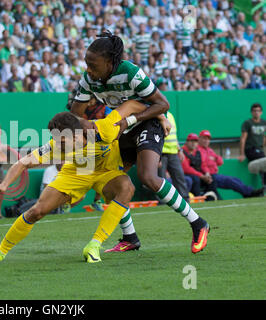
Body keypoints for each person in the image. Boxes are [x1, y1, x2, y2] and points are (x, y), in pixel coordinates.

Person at [70, 31, 210, 254]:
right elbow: (75, 114)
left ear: (109, 62)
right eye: (86, 63)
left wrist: (130, 120)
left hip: (147, 123)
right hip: (120, 130)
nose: (87, 69)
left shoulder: (131, 72)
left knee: (147, 177)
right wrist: (92, 128)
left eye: (92, 64)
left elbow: (163, 105)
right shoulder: (89, 80)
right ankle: (130, 237)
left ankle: (198, 223)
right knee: (110, 183)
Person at [0, 100, 147, 263]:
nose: (58, 145)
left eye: (62, 141)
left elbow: (132, 105)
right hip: (75, 173)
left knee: (126, 188)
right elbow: (24, 162)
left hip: (106, 172)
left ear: (76, 134)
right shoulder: (56, 145)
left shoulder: (104, 128)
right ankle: (0, 252)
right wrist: (4, 184)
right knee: (37, 211)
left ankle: (94, 245)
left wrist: (160, 117)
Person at [198, 130, 263, 198]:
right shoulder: (198, 150)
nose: (206, 141)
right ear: (199, 139)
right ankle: (250, 192)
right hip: (209, 176)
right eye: (204, 138)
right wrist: (209, 168)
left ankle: (248, 192)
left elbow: (220, 161)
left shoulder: (209, 150)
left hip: (215, 174)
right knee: (230, 181)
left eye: (208, 139)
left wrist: (215, 158)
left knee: (236, 179)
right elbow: (203, 164)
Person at [158, 111, 189, 200]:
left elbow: (173, 135)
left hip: (173, 152)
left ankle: (185, 200)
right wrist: (157, 155)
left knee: (179, 177)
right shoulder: (157, 114)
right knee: (160, 180)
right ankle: (162, 201)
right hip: (161, 153)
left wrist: (179, 150)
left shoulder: (170, 115)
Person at [181, 133, 219, 199]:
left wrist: (207, 173)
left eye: (195, 141)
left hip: (197, 175)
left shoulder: (197, 152)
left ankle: (210, 199)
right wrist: (201, 176)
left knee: (212, 178)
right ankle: (198, 198)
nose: (193, 143)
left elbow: (203, 164)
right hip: (185, 175)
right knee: (196, 179)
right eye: (191, 141)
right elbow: (186, 168)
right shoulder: (182, 151)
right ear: (187, 142)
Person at [239, 103, 266, 188]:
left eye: (258, 111)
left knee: (263, 164)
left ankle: (263, 186)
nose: (256, 113)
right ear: (251, 112)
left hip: (260, 150)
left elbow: (264, 137)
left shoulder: (264, 122)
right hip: (250, 149)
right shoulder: (247, 123)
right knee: (263, 161)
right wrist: (242, 154)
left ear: (261, 112)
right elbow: (243, 139)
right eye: (254, 111)